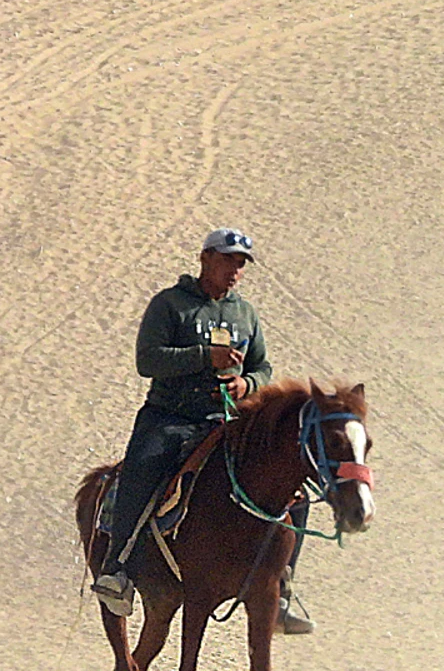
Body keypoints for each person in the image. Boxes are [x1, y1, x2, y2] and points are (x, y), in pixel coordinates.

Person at [92, 229, 315, 634]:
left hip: (225, 420)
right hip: (170, 417)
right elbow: (149, 359)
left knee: (294, 490)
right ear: (205, 258)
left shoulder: (245, 314)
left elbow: (262, 367)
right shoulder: (170, 305)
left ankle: (281, 590)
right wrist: (203, 357)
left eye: (241, 263)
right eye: (229, 260)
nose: (235, 270)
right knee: (142, 471)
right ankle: (118, 570)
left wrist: (247, 385)